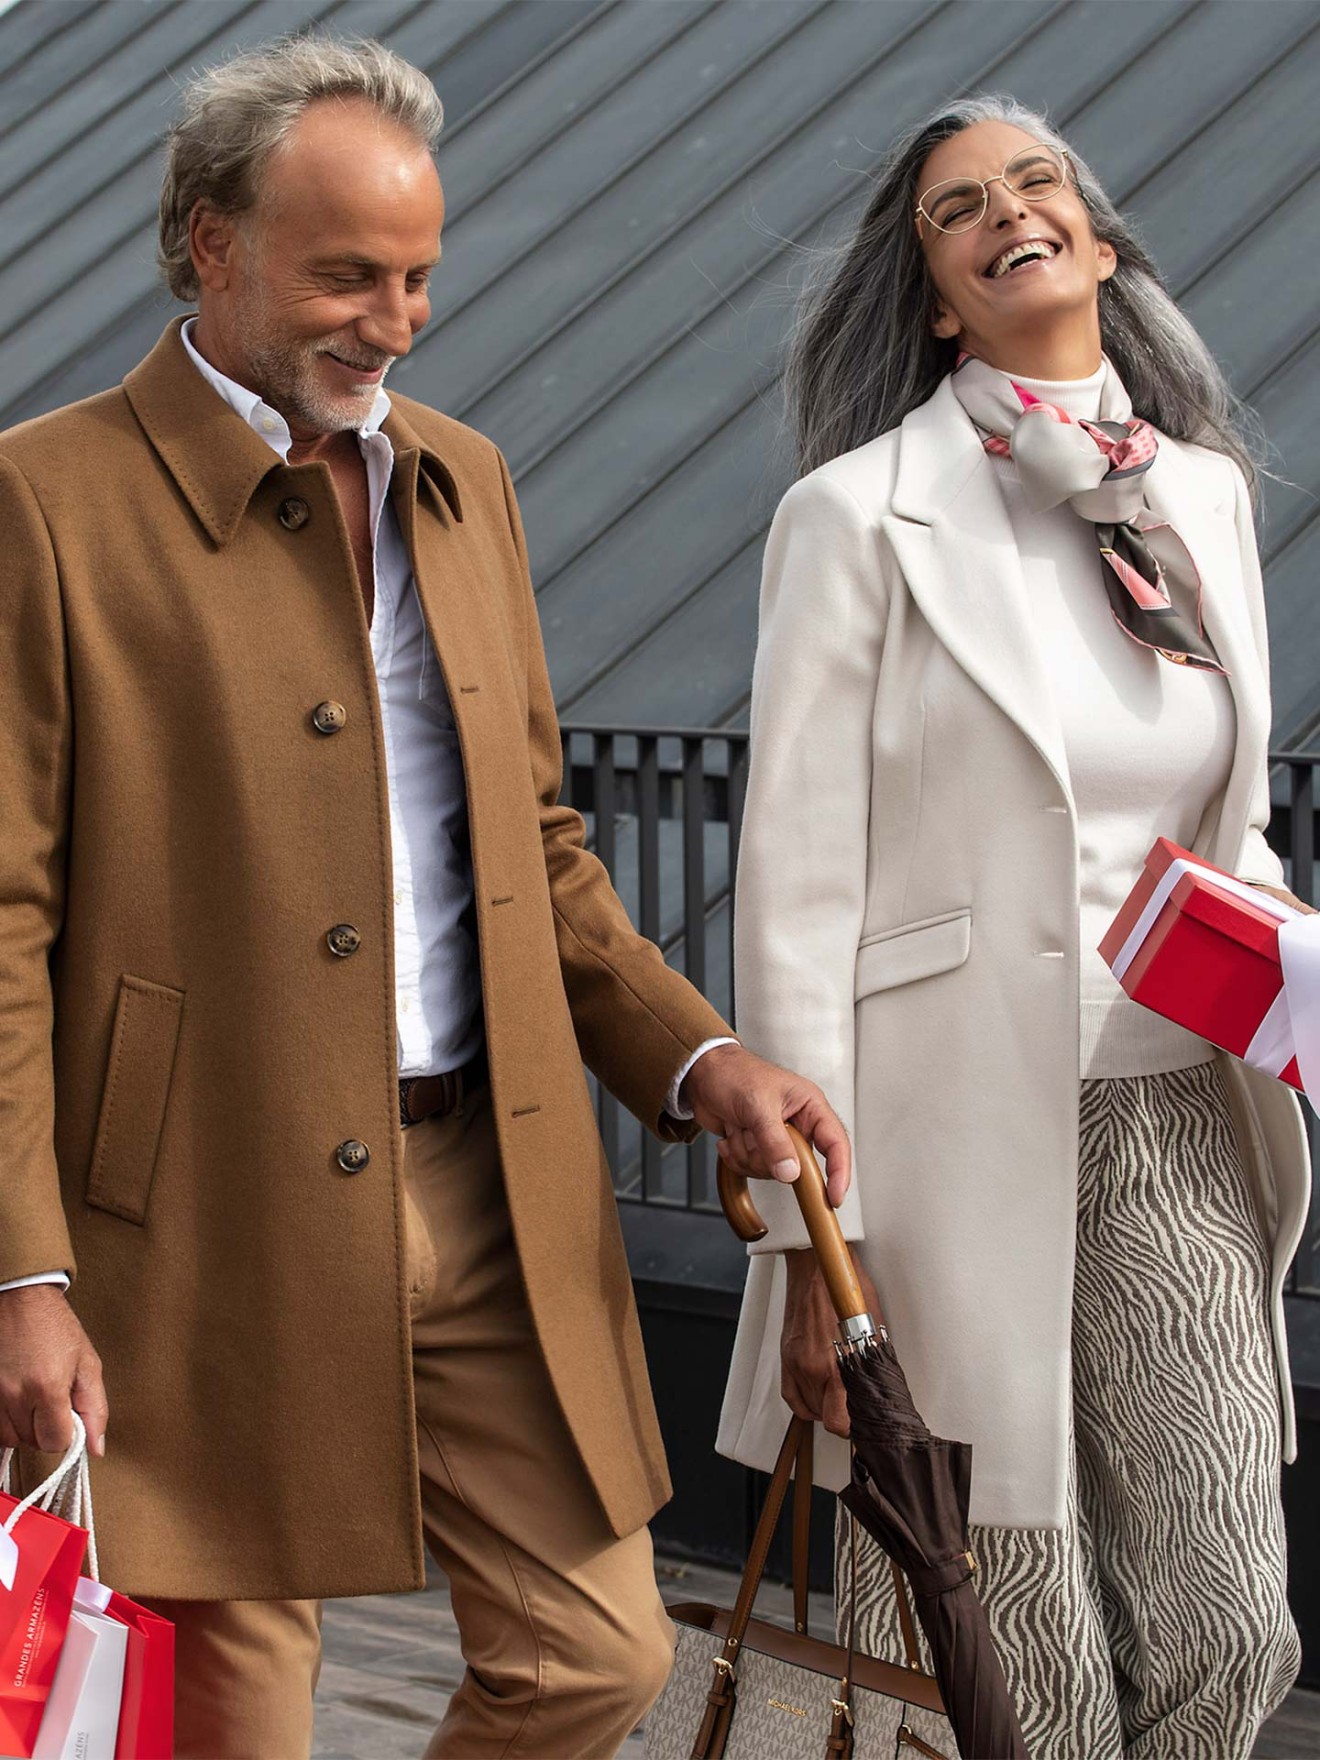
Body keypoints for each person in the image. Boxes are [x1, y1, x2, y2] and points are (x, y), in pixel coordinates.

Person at [0, 35, 850, 1760]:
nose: (392, 321)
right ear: (207, 241)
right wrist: (21, 1276)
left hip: (484, 1190)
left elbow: (537, 844)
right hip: (191, 1217)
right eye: (345, 277)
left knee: (598, 1657)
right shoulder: (43, 501)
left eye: (417, 277)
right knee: (238, 1716)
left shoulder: (463, 481)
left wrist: (700, 1065)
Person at [716, 94, 1309, 1758]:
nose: (1004, 211)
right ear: (934, 296)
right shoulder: (856, 519)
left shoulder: (1198, 498)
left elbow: (1226, 822)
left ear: (1099, 244)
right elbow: (802, 889)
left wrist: (1289, 954)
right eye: (954, 208)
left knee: (1228, 1617)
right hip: (937, 1142)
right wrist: (806, 1251)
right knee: (999, 1653)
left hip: (1176, 1103)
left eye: (1036, 182)